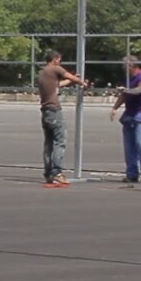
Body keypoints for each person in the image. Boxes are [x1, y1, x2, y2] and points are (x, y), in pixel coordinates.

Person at [37, 51, 87, 187]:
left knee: (49, 143)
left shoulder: (43, 72)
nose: (60, 62)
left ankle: (48, 173)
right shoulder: (55, 68)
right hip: (54, 110)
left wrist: (71, 80)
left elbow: (58, 85)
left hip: (45, 110)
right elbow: (71, 77)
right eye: (59, 59)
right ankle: (57, 173)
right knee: (60, 140)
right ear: (55, 59)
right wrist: (82, 82)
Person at [113, 55, 141, 183]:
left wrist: (128, 90)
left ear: (131, 65)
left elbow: (140, 89)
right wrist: (115, 108)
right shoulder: (128, 78)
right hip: (129, 115)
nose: (123, 68)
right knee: (129, 147)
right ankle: (132, 174)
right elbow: (124, 95)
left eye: (124, 65)